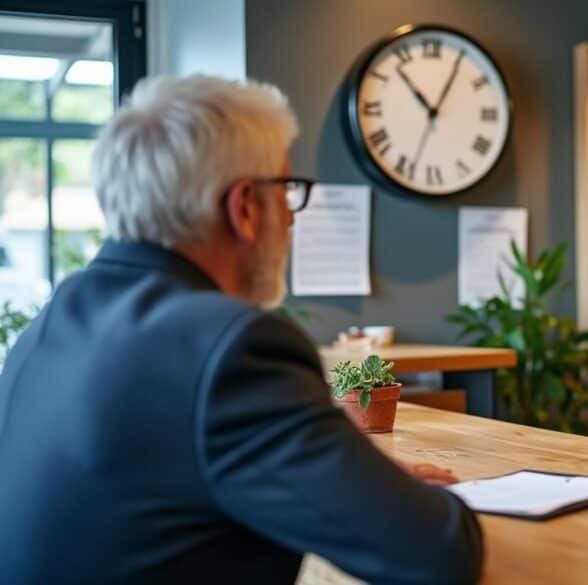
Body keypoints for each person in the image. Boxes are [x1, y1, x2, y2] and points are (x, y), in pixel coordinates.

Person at [0, 75, 483, 584]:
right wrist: (402, 500)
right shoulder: (232, 348)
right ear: (246, 208)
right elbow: (440, 554)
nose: (293, 220)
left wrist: (356, 485)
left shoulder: (53, 324)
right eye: (288, 190)